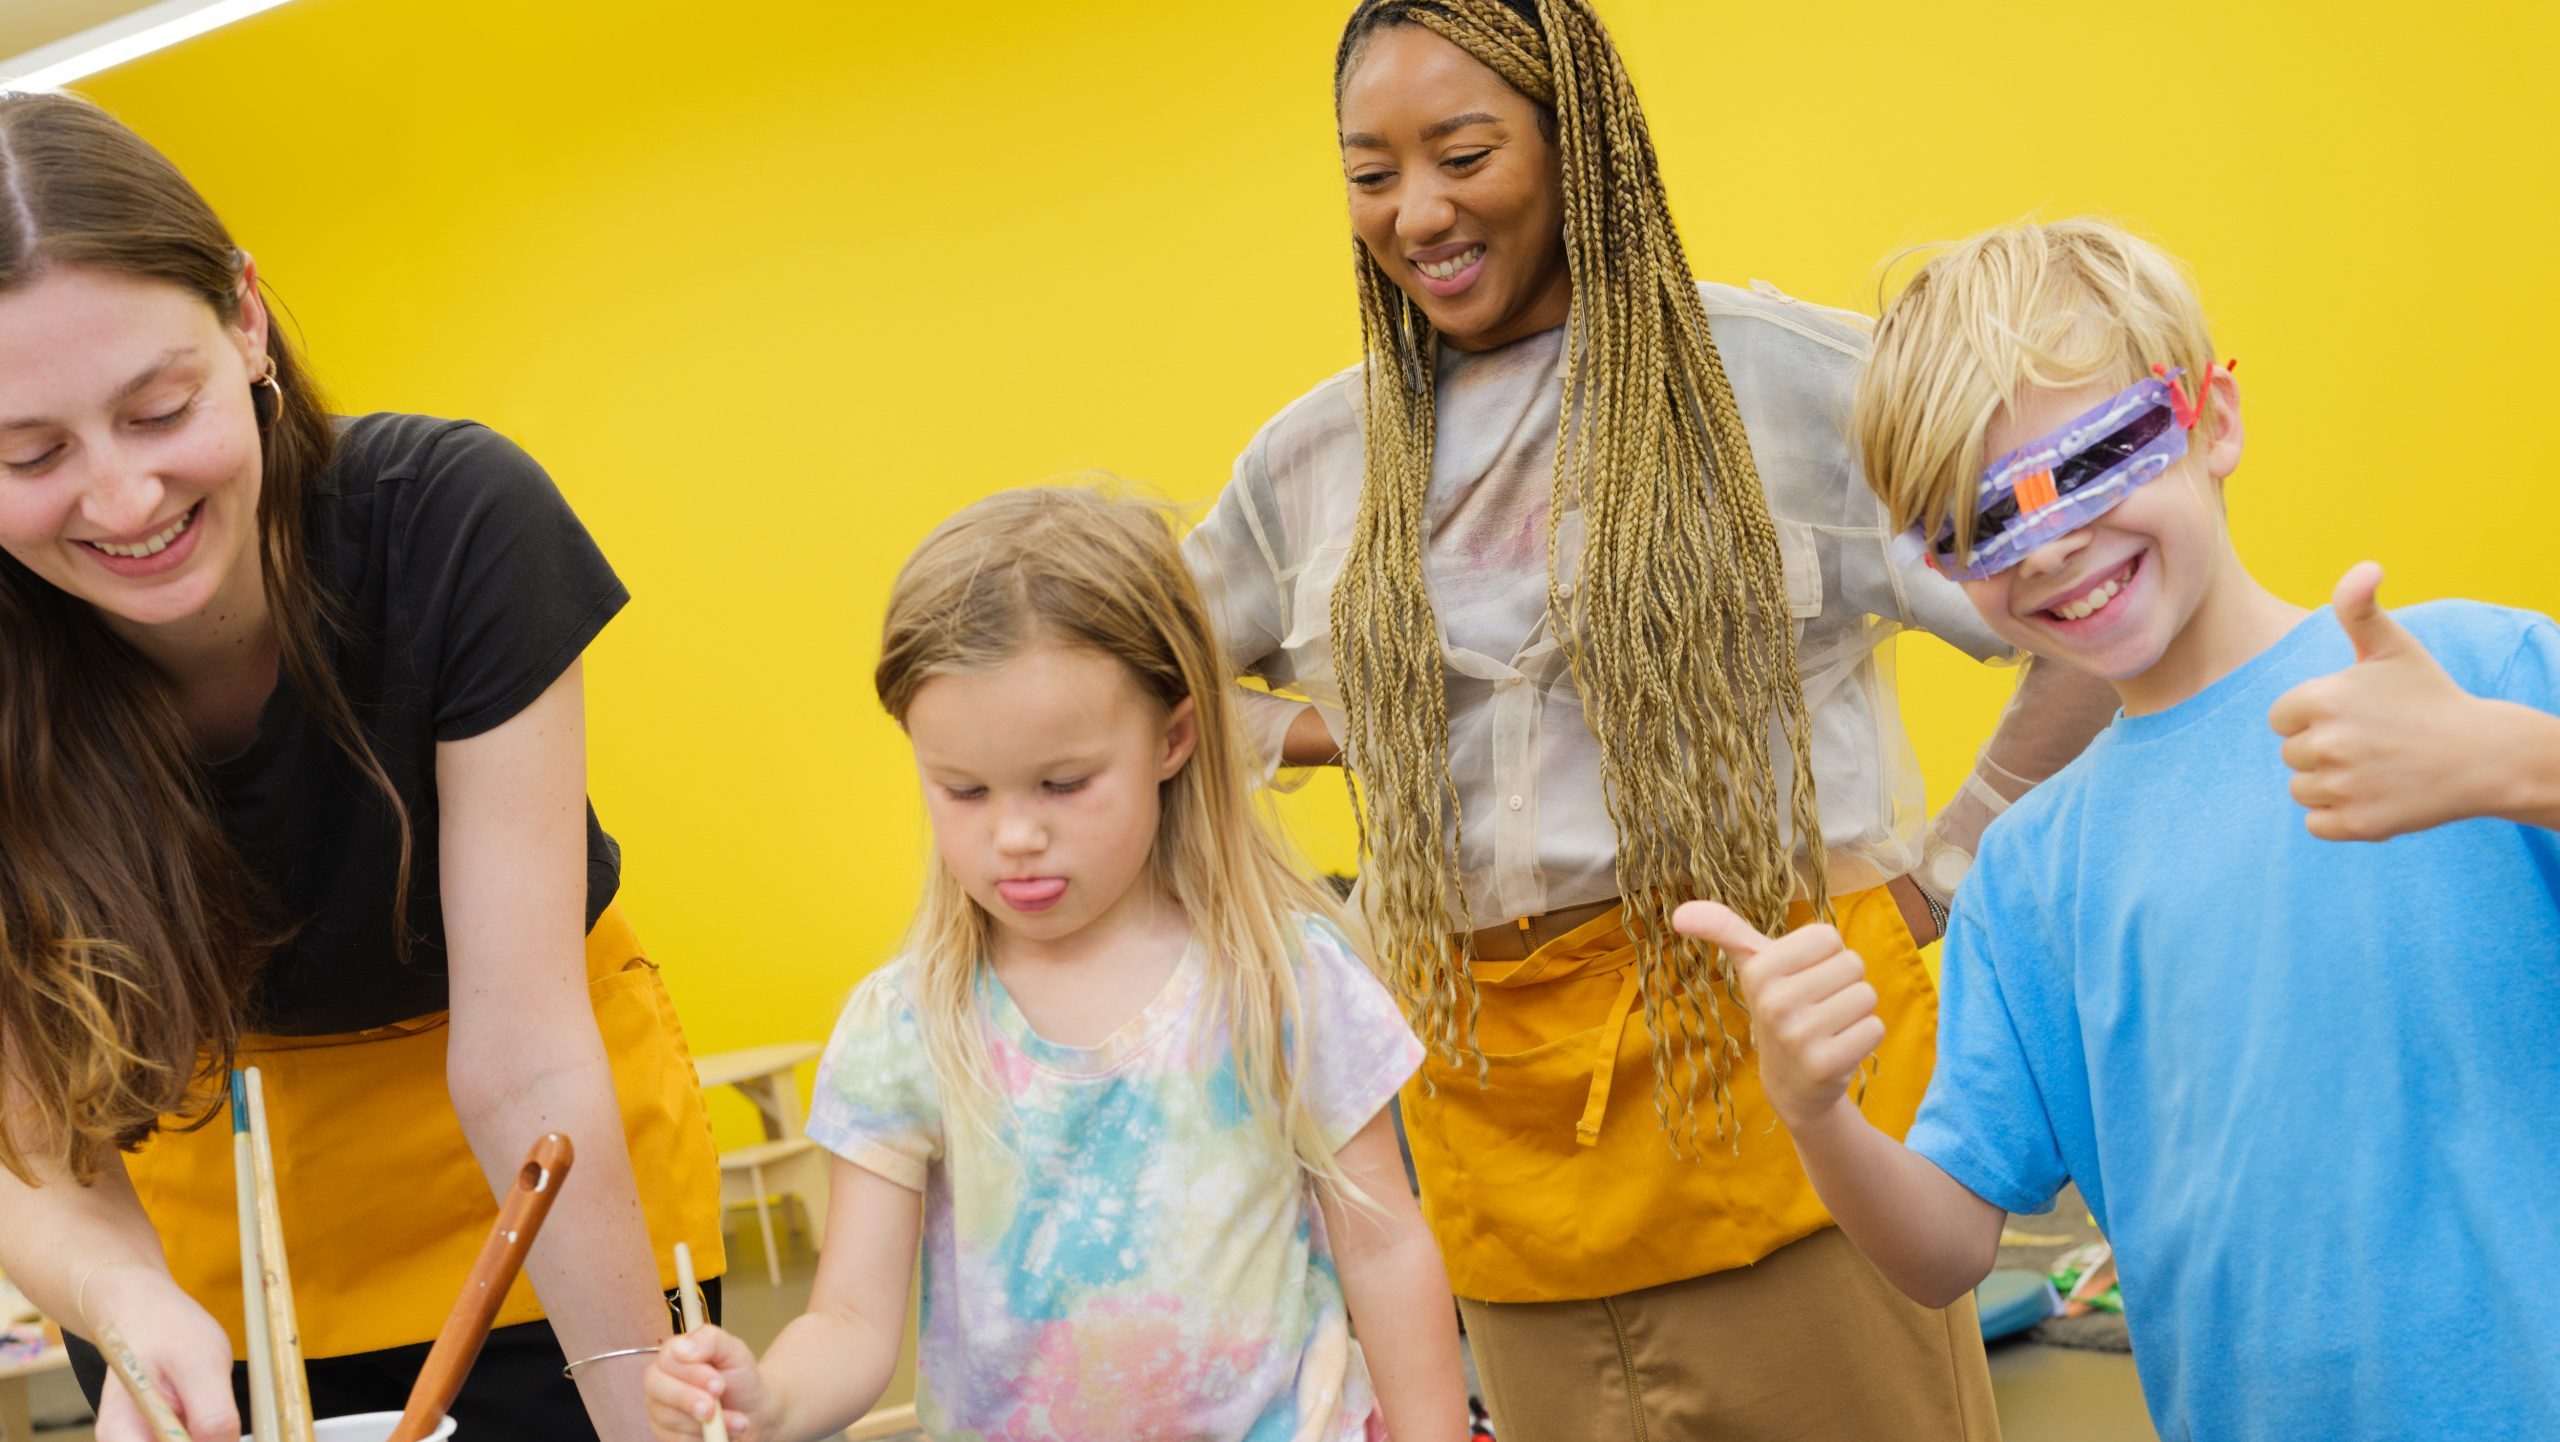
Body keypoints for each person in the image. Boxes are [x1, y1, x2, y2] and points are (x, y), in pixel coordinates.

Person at [1182, 1, 2119, 1434]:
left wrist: (1943, 878)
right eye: (1371, 174)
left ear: (1580, 146)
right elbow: (1147, 694)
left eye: (1464, 152)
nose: (1415, 210)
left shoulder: (1792, 383)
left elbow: (2091, 621)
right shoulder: (1312, 461)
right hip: (1501, 1145)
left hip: (1796, 1111)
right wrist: (1335, 736)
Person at [1685, 217, 2560, 1442]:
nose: (2049, 547)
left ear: (2210, 419)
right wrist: (1816, 1108)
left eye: (2087, 463)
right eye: (1974, 527)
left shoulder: (2480, 670)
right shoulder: (2032, 874)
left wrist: (2513, 762)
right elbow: (1943, 1247)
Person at [0, 92, 722, 1442]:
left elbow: (524, 1050)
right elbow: (30, 1128)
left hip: (541, 1187)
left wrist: (636, 1403)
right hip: (204, 1240)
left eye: (159, 411)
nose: (121, 501)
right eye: (29, 455)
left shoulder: (452, 523)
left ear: (249, 320)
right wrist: (124, 1304)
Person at [644, 488, 1465, 1442]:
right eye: (963, 791)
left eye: (1063, 784)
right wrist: (767, 1399)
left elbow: (1387, 1247)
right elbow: (851, 1322)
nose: (1016, 835)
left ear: (1172, 738)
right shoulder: (906, 1024)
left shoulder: (1286, 976)